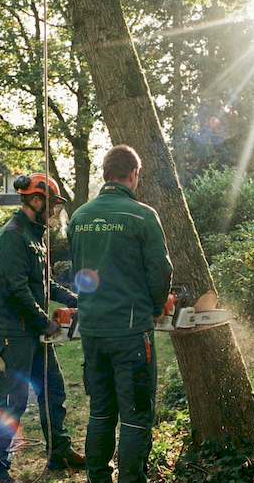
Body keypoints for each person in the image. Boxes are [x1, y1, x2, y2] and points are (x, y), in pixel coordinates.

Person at [67, 145, 173, 483]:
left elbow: (78, 270)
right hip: (130, 333)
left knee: (100, 412)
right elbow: (161, 271)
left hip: (93, 331)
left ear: (104, 174)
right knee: (135, 416)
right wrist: (156, 308)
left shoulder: (79, 217)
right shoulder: (142, 216)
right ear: (133, 174)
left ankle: (97, 478)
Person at [0, 172, 85, 483]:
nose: (53, 211)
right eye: (51, 205)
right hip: (14, 334)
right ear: (37, 201)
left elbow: (44, 284)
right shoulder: (13, 236)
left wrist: (77, 299)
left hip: (34, 333)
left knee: (53, 391)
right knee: (12, 402)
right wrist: (46, 323)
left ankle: (59, 453)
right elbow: (17, 291)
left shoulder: (35, 236)